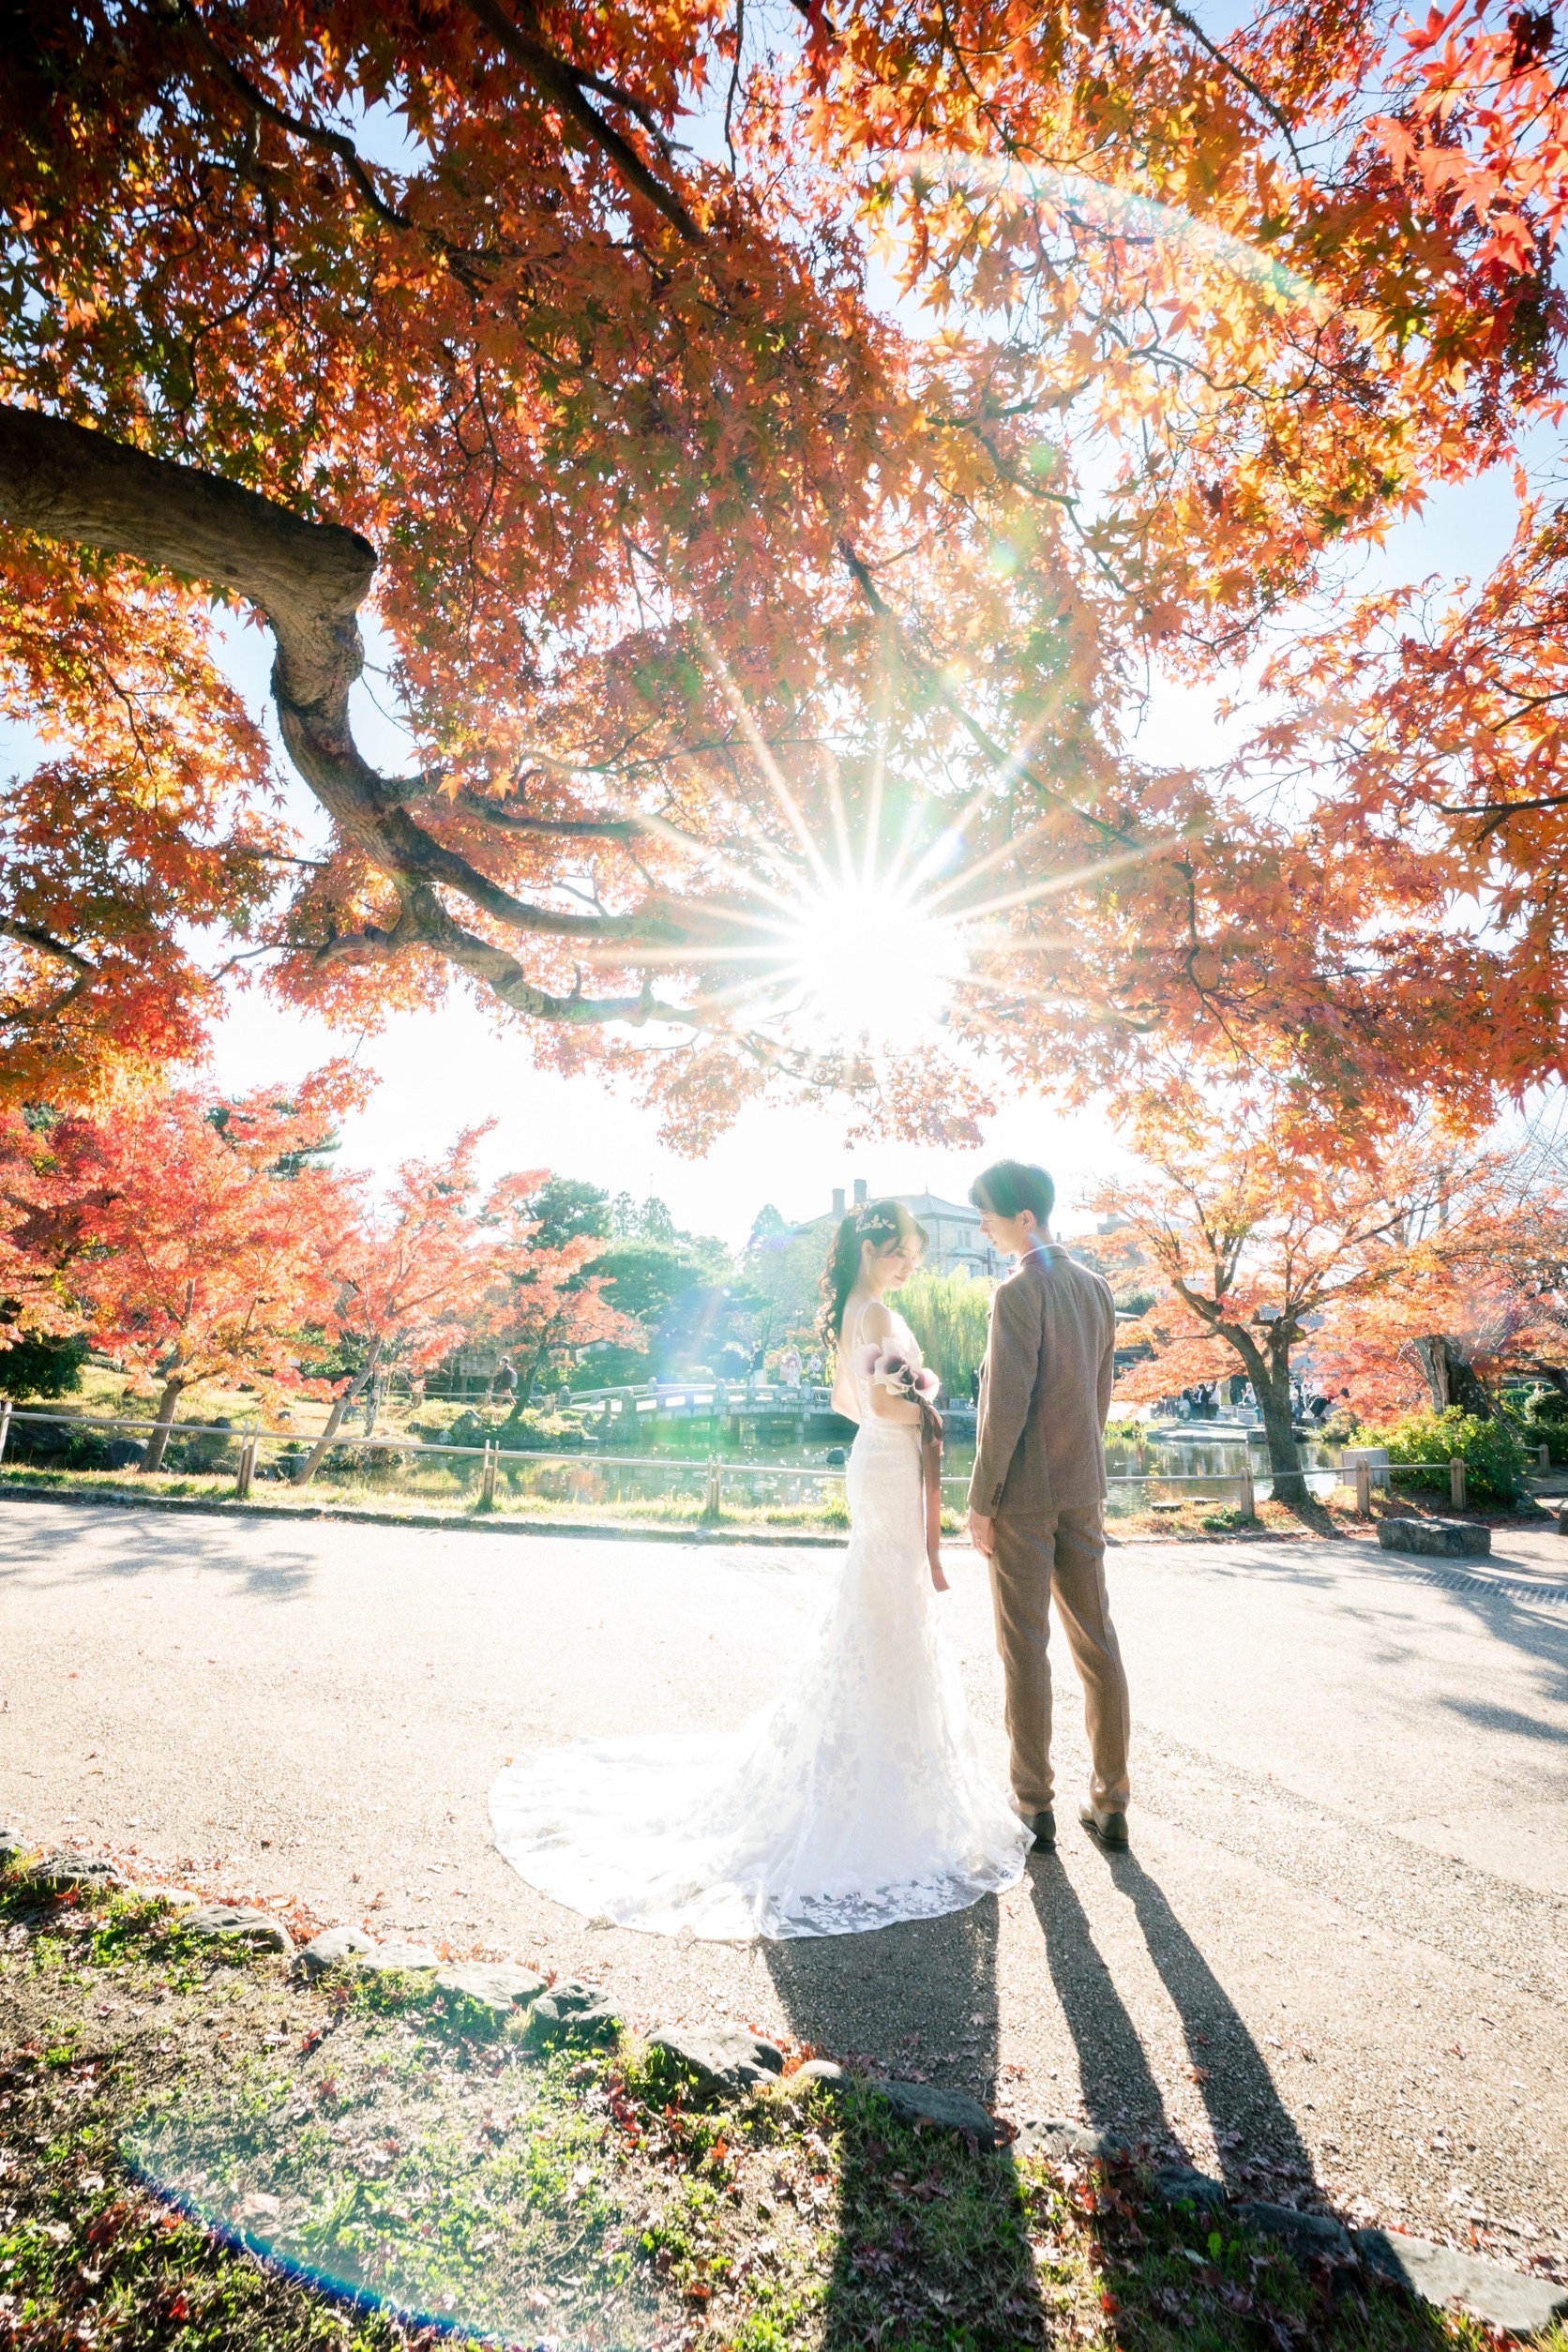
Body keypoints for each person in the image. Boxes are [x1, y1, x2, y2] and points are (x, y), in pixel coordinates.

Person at [490, 1198, 1028, 1938]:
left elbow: (849, 1402)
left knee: (883, 1599)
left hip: (877, 1461)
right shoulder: (873, 1314)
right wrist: (926, 1407)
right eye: (905, 1250)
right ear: (875, 1247)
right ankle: (880, 1777)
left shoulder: (853, 1307)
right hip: (889, 1464)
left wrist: (895, 1414)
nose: (913, 1264)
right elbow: (873, 1398)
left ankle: (875, 1761)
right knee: (887, 1600)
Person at [968, 1160, 1132, 1853]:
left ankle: (1034, 1805)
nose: (983, 1226)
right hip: (1082, 1490)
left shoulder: (1017, 1293)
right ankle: (1112, 1800)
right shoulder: (1096, 1289)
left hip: (1024, 1499)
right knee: (1098, 1643)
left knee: (1024, 1649)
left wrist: (981, 1502)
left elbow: (1003, 1409)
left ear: (1024, 1219)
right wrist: (1083, 1467)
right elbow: (1099, 1396)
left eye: (989, 1215)